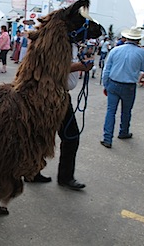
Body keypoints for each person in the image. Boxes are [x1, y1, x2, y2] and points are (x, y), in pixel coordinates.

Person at [26, 43, 94, 190]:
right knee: (46, 135)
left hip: (61, 96)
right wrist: (80, 67)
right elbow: (52, 69)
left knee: (68, 136)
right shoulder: (55, 43)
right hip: (49, 95)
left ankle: (61, 176)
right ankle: (35, 172)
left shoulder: (72, 44)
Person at [101, 27, 144, 148]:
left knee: (110, 111)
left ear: (126, 37)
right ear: (138, 39)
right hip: (129, 86)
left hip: (113, 83)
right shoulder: (142, 53)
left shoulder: (115, 50)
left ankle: (107, 138)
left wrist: (105, 84)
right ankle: (123, 132)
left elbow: (107, 69)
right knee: (126, 111)